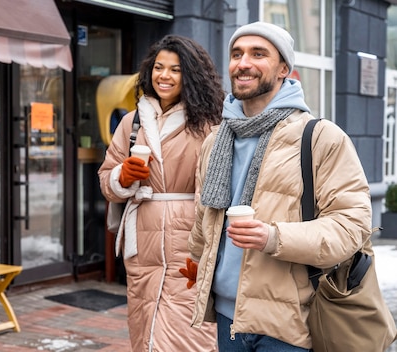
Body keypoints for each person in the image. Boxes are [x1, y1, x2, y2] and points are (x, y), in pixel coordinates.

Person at [185, 21, 373, 351]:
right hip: (228, 318)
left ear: (284, 68)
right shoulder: (216, 140)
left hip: (290, 324)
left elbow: (352, 226)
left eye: (259, 54)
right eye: (236, 54)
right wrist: (198, 259)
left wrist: (273, 237)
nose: (243, 63)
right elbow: (205, 215)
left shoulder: (320, 137)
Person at [98, 34, 224, 351]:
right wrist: (122, 177)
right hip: (142, 244)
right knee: (144, 328)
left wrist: (206, 251)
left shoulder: (210, 124)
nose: (164, 76)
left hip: (188, 245)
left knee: (189, 335)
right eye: (159, 67)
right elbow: (106, 179)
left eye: (175, 69)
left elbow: (215, 192)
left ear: (191, 76)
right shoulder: (132, 122)